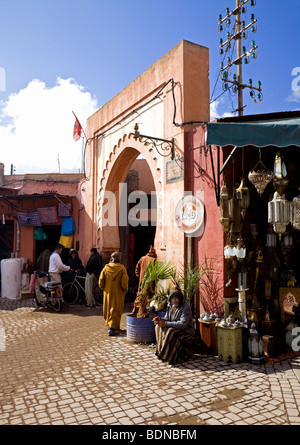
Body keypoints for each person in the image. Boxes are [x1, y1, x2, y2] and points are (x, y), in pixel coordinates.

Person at [153, 286, 196, 365]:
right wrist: (160, 320)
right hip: (175, 327)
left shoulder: (185, 306)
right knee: (157, 327)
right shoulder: (170, 305)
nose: (174, 300)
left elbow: (183, 324)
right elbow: (167, 318)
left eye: (176, 298)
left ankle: (168, 356)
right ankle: (160, 351)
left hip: (186, 330)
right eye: (172, 298)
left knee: (170, 332)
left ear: (180, 298)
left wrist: (166, 324)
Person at [99, 252, 129, 336]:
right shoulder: (122, 269)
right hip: (118, 293)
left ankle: (111, 327)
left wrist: (105, 289)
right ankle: (112, 329)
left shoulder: (106, 268)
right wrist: (125, 290)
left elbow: (100, 281)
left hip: (107, 293)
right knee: (116, 309)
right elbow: (124, 283)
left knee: (108, 309)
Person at [132, 245, 157, 317]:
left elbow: (137, 269)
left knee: (139, 295)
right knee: (148, 296)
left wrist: (139, 276)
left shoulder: (142, 258)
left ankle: (135, 310)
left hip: (142, 280)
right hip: (150, 281)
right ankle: (144, 312)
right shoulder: (154, 260)